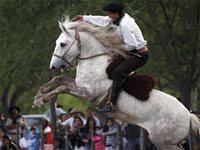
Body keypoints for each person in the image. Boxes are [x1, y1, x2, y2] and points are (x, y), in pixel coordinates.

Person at [72, 2, 149, 113]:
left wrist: (116, 48)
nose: (108, 16)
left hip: (139, 56)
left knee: (118, 71)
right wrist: (84, 18)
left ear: (116, 13)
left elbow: (132, 45)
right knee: (110, 68)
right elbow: (103, 20)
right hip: (131, 53)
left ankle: (112, 104)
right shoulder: (119, 19)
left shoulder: (125, 25)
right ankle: (119, 87)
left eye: (109, 14)